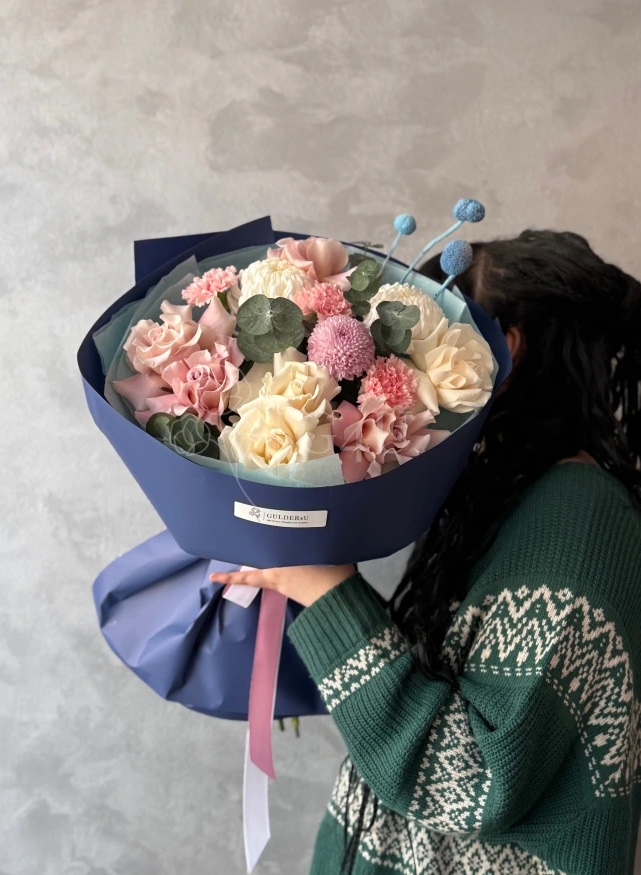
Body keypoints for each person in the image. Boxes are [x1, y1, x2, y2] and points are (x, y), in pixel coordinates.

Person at [211, 230, 641, 875]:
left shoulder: (578, 518)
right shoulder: (512, 493)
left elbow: (474, 781)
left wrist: (329, 594)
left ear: (505, 349)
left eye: (426, 334)